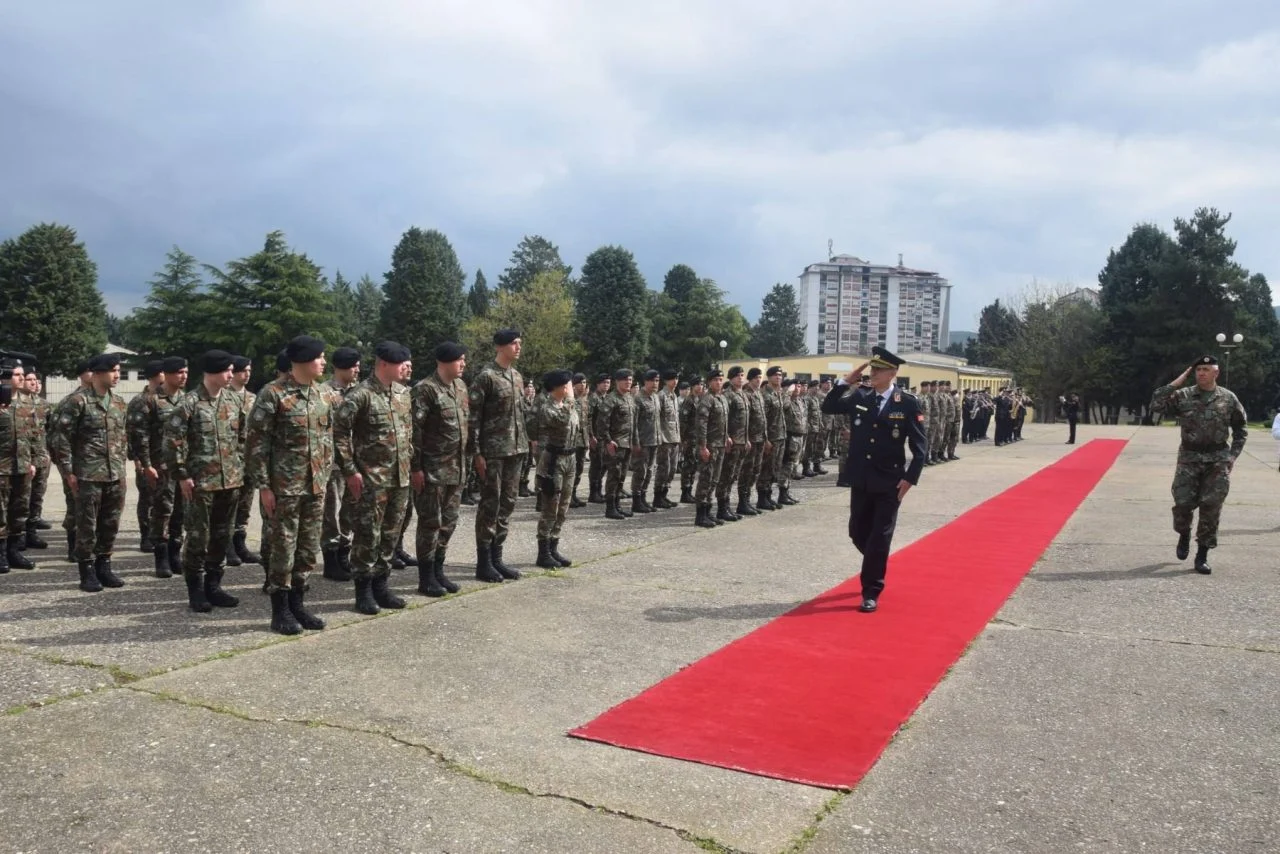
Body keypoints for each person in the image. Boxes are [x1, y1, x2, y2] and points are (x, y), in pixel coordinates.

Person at [821, 346, 926, 613]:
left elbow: (919, 446)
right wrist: (846, 381)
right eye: (872, 369)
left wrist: (909, 479)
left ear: (893, 373)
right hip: (861, 478)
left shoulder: (908, 402)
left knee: (880, 536)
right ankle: (876, 560)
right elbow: (829, 406)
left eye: (879, 369)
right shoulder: (861, 396)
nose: (874, 373)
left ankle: (871, 590)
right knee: (857, 531)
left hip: (890, 481)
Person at [244, 335, 331, 634]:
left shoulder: (322, 394)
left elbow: (327, 440)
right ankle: (279, 611)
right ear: (304, 360)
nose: (323, 362)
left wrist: (325, 475)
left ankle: (298, 605)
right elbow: (256, 444)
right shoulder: (273, 394)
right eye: (319, 357)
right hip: (284, 488)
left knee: (307, 549)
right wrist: (264, 486)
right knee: (283, 548)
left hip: (315, 487)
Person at [334, 341, 414, 614]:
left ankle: (382, 586)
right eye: (399, 363)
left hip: (399, 479)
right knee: (367, 536)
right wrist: (350, 470)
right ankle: (363, 592)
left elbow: (407, 432)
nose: (405, 367)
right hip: (371, 481)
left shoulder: (402, 395)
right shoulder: (361, 395)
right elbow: (339, 433)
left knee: (391, 535)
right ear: (383, 364)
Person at [1150, 356, 1247, 574]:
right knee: (1183, 504)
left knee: (1211, 508)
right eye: (1198, 370)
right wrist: (1179, 380)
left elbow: (1241, 430)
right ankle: (1184, 534)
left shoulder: (1228, 399)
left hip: (1217, 460)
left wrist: (1232, 457)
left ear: (1216, 373)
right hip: (1189, 459)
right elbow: (1156, 405)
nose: (1201, 373)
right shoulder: (1184, 396)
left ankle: (1202, 555)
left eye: (1206, 369)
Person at [165, 350, 244, 612]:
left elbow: (243, 437)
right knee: (198, 538)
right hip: (200, 484)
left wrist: (240, 466)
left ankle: (214, 586)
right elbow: (173, 442)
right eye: (228, 370)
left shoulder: (233, 401)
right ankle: (196, 591)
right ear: (213, 372)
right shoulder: (189, 404)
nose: (232, 375)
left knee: (222, 537)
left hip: (230, 482)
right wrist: (182, 476)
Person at [50, 353, 131, 592]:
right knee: (86, 525)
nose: (117, 375)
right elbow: (60, 438)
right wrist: (68, 472)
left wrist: (122, 467)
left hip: (115, 474)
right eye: (113, 370)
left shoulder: (119, 403)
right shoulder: (78, 402)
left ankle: (104, 566)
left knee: (110, 523)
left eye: (119, 370)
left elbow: (122, 438)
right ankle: (86, 572)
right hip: (87, 475)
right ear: (97, 373)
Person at [469, 328, 529, 582]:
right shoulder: (486, 378)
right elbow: (473, 419)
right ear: (499, 347)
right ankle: (484, 563)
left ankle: (497, 558)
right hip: (493, 452)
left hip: (515, 450)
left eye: (519, 343)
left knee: (507, 504)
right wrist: (476, 453)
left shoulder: (516, 377)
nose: (518, 347)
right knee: (490, 505)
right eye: (514, 344)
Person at [411, 342, 469, 597]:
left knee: (449, 523)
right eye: (460, 360)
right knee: (429, 524)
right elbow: (414, 432)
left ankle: (438, 569)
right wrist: (416, 469)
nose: (464, 364)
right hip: (433, 470)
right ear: (445, 362)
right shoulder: (425, 390)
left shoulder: (460, 387)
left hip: (456, 470)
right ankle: (425, 577)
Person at [534, 369, 580, 568]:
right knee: (550, 507)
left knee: (563, 507)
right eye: (567, 384)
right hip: (553, 460)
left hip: (570, 458)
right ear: (560, 386)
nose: (570, 388)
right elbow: (561, 420)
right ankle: (543, 552)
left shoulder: (569, 406)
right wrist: (570, 399)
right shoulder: (548, 407)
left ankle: (554, 547)